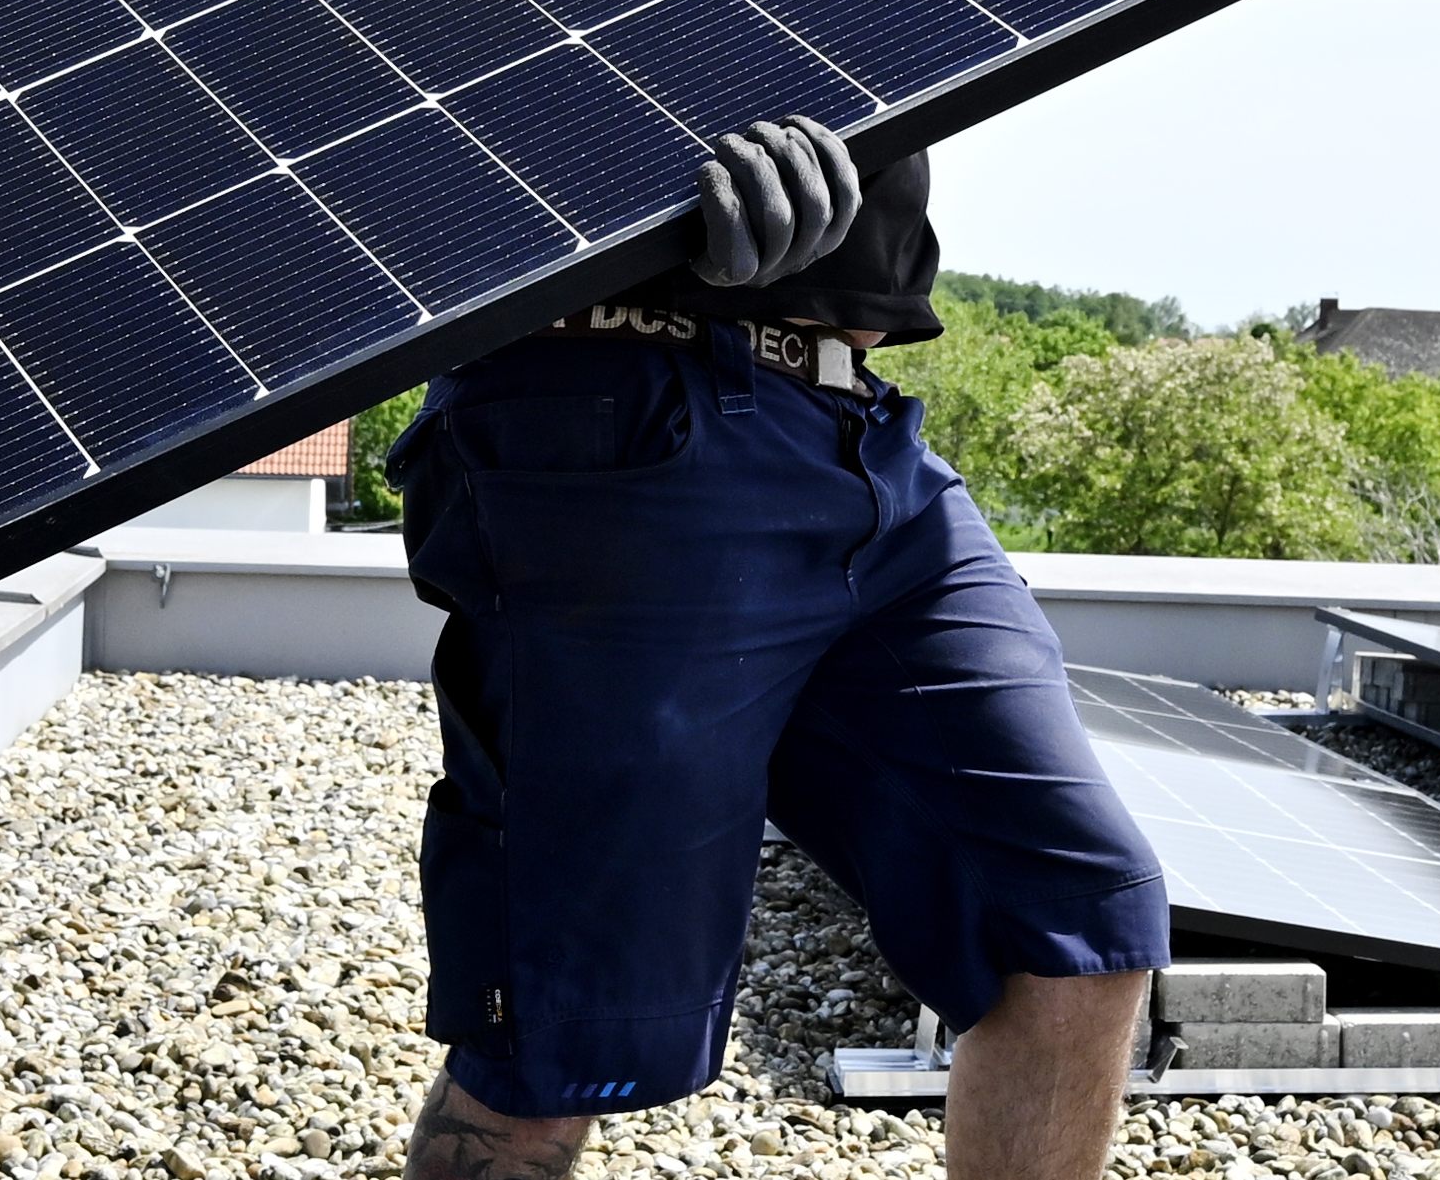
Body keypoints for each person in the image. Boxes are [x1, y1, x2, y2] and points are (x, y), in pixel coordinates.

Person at [386, 116, 1169, 1180]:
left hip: (868, 441)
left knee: (1075, 916)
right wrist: (646, 180)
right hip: (631, 408)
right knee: (563, 1037)